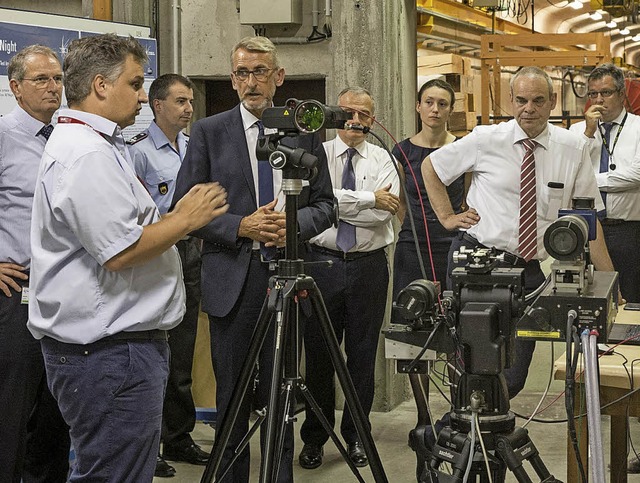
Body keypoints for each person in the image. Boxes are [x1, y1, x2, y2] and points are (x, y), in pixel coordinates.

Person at [27, 34, 228, 482]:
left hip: (112, 350)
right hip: (108, 353)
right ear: (100, 85)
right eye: (136, 84)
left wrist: (173, 219)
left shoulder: (96, 145)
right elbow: (119, 252)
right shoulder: (85, 154)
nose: (143, 96)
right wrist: (185, 220)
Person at [172, 36, 334, 482]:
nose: (250, 81)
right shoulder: (209, 132)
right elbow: (183, 213)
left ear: (278, 77)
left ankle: (277, 476)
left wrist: (293, 227)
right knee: (234, 396)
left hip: (287, 281)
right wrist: (241, 226)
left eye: (259, 71)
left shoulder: (305, 133)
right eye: (241, 73)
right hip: (233, 282)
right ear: (232, 79)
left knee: (282, 393)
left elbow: (327, 206)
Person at [422, 66, 617, 399]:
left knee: (512, 375)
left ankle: (485, 439)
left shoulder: (572, 148)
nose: (530, 108)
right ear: (511, 100)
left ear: (553, 101)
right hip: (477, 266)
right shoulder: (486, 139)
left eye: (539, 100)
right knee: (470, 369)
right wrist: (446, 216)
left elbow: (587, 218)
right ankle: (464, 444)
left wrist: (610, 282)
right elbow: (431, 167)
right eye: (522, 100)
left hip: (528, 272)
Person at [299, 86, 400, 470]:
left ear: (373, 120)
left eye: (364, 115)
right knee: (319, 358)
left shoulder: (382, 158)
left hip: (368, 267)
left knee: (361, 358)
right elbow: (311, 208)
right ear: (333, 115)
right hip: (321, 264)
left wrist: (335, 205)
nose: (355, 121)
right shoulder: (315, 155)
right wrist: (370, 198)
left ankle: (357, 436)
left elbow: (382, 216)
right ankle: (313, 439)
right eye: (347, 113)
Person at [128, 73, 208, 478]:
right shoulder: (137, 153)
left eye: (190, 101)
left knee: (182, 351)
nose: (188, 108)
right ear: (157, 105)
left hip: (191, 255)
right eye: (179, 101)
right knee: (152, 353)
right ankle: (150, 443)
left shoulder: (193, 149)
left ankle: (178, 437)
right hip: (155, 255)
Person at [0, 44, 70, 483]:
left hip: (64, 288)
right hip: (16, 289)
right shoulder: (3, 135)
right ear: (15, 87)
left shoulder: (66, 134)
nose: (52, 87)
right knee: (12, 406)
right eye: (41, 79)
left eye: (58, 78)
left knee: (56, 407)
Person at [569, 64, 640, 305]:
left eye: (606, 93)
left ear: (621, 94)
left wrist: (590, 181)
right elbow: (570, 172)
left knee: (629, 296)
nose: (598, 100)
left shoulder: (638, 128)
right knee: (588, 299)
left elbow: (636, 174)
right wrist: (588, 134)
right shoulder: (578, 131)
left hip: (628, 232)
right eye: (593, 94)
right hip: (586, 230)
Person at [392, 79, 465, 303]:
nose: (435, 109)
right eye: (429, 102)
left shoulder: (462, 149)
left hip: (452, 244)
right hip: (412, 246)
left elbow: (469, 198)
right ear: (418, 106)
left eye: (443, 104)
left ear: (451, 110)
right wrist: (417, 227)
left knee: (454, 313)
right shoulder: (402, 151)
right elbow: (401, 202)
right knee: (410, 311)